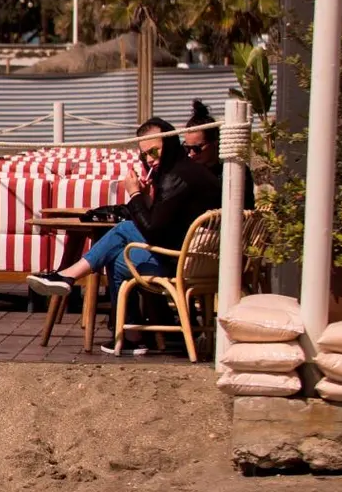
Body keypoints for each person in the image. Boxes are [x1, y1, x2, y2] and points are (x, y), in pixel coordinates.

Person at [27, 117, 220, 355]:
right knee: (117, 259)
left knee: (122, 230)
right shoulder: (191, 172)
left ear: (169, 145)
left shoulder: (176, 176)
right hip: (201, 261)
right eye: (144, 155)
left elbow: (152, 230)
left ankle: (68, 276)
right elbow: (169, 222)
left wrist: (136, 195)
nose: (149, 159)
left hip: (180, 264)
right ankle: (131, 336)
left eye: (154, 152)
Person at [182, 99, 255, 208]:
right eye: (187, 148)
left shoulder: (234, 169)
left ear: (215, 143)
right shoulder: (186, 170)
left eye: (197, 148)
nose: (191, 154)